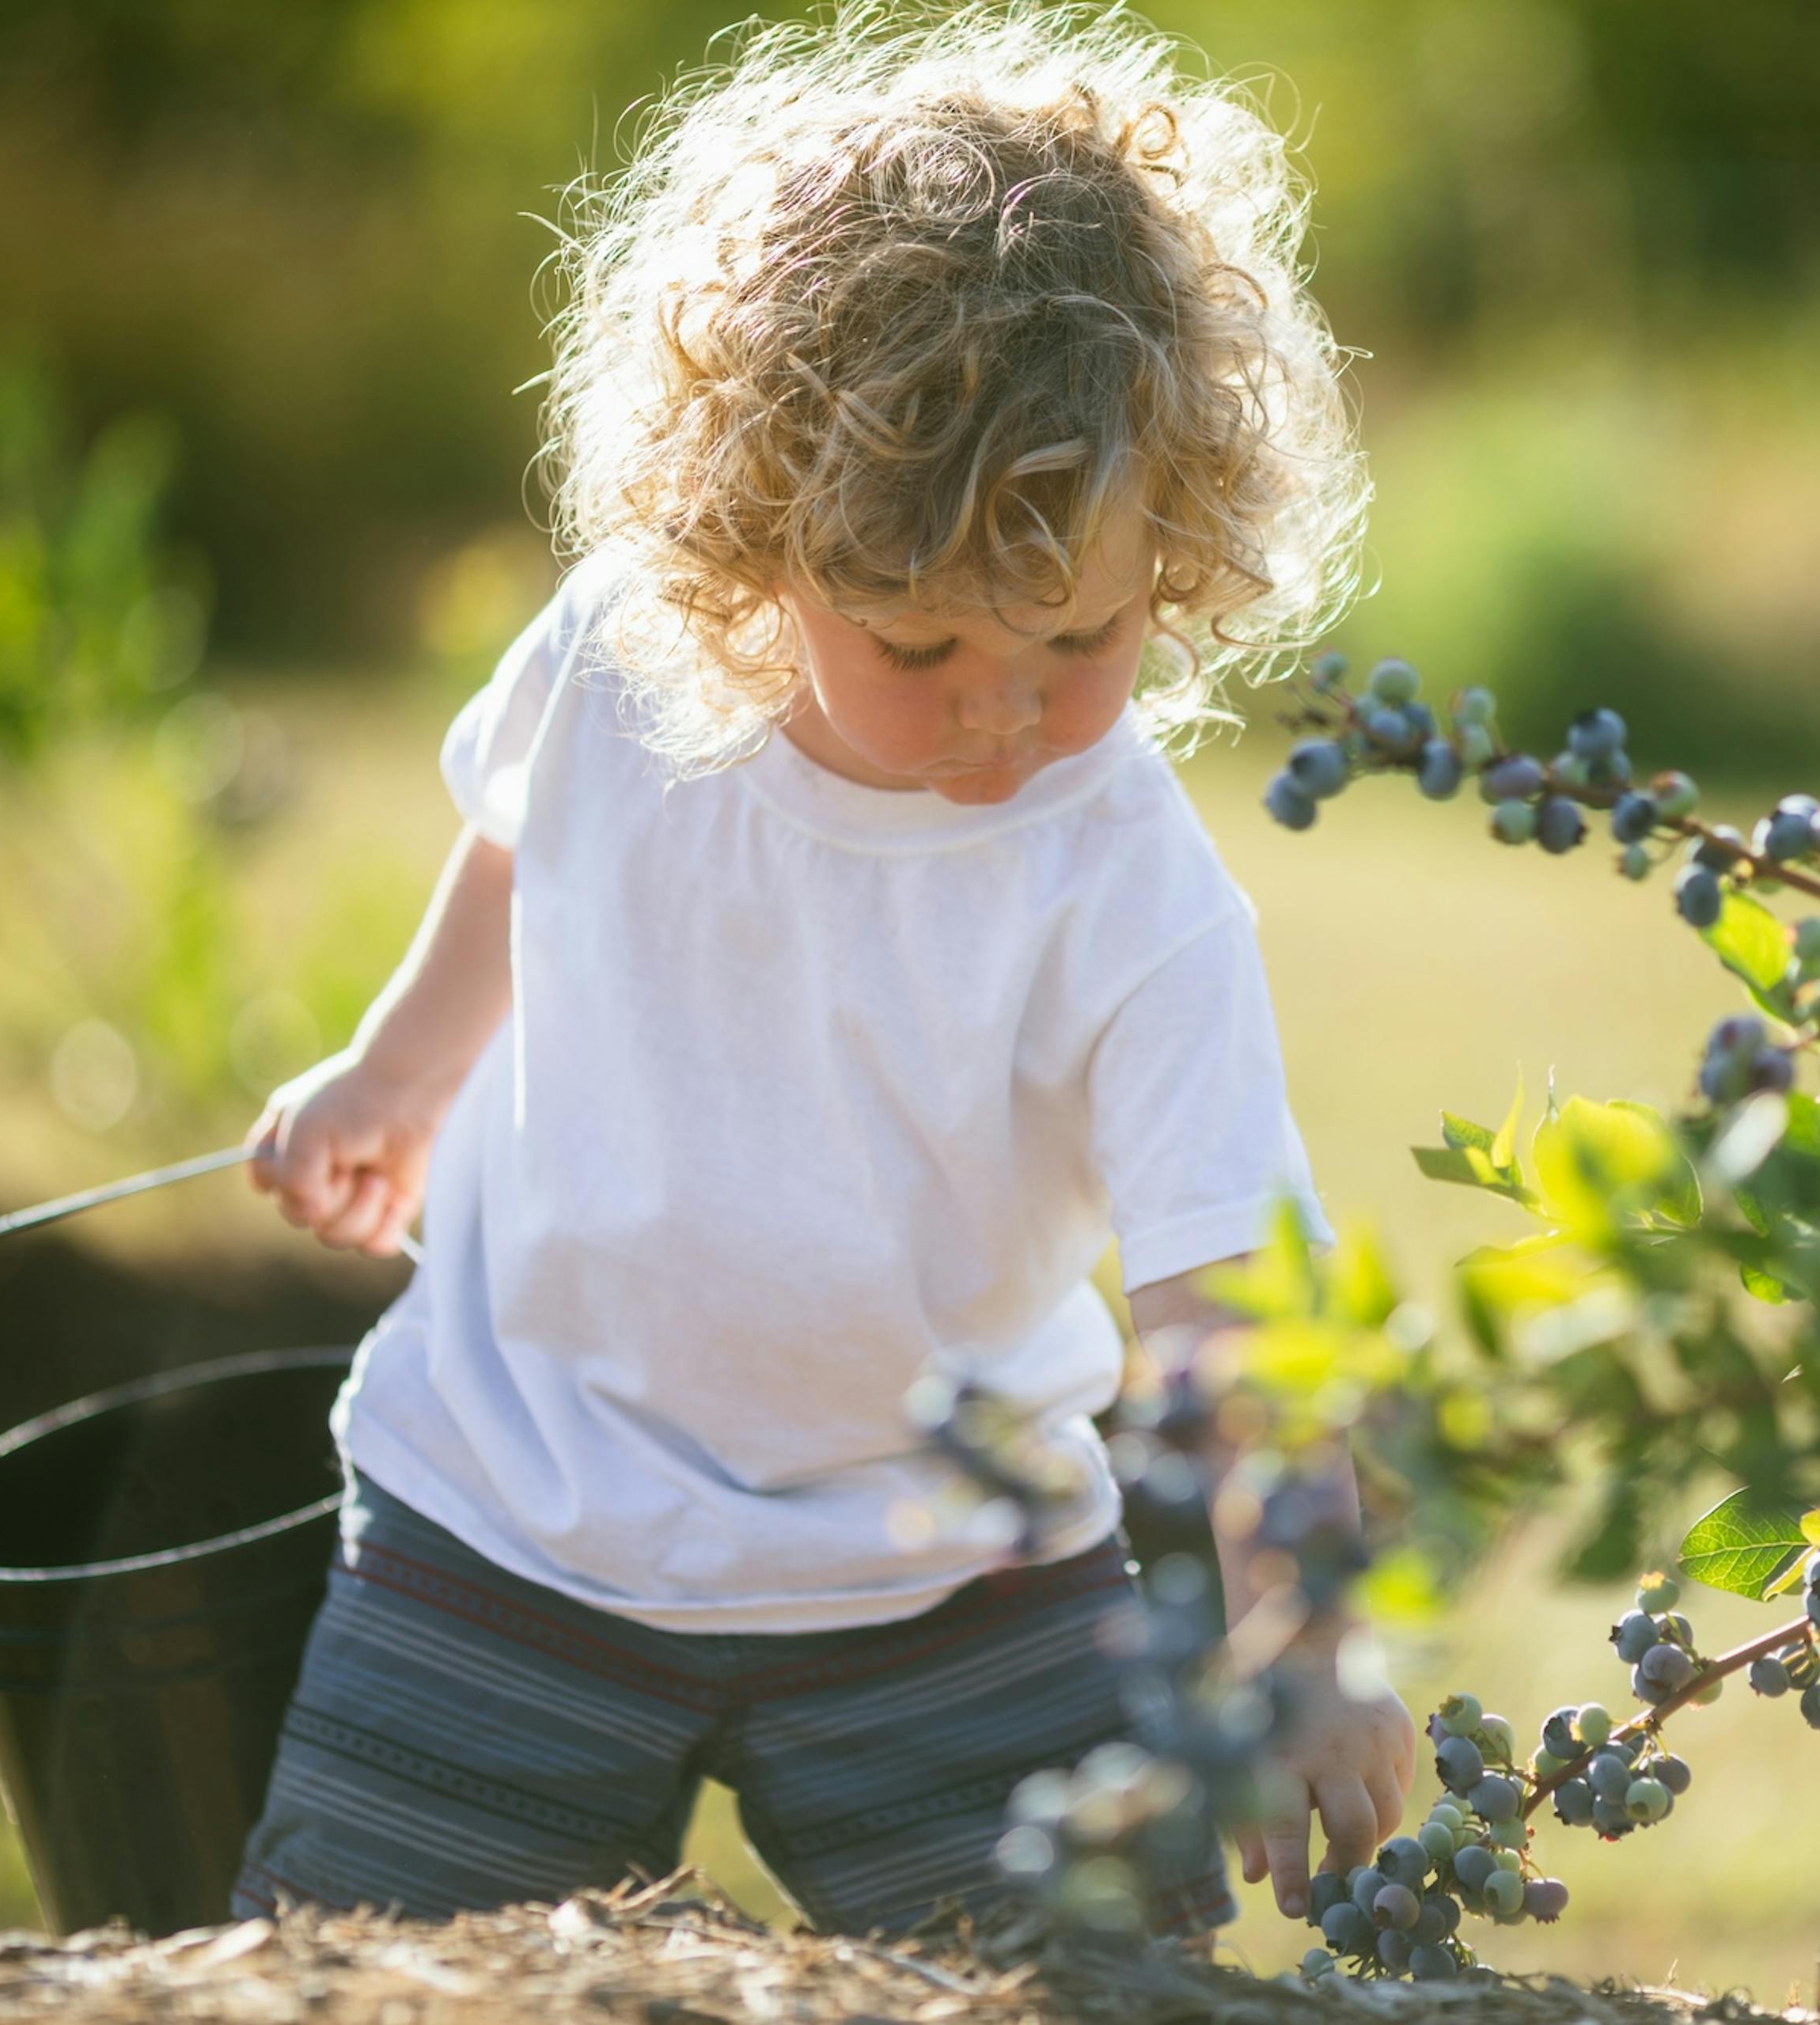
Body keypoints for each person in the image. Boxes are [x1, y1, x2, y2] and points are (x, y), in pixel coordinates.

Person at [230, 1, 1410, 1941]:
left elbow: (1232, 1306)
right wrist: (397, 1068)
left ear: (1179, 543)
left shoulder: (1131, 889)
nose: (1003, 717)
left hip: (955, 1579)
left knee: (1108, 1985)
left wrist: (1307, 1631)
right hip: (516, 1498)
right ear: (756, 538)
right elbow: (519, 840)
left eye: (1082, 634)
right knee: (345, 1970)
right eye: (919, 646)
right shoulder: (617, 656)